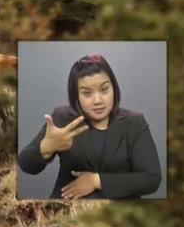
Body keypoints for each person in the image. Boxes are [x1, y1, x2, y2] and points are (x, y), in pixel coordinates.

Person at [17, 54, 162, 199]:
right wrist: (46, 147)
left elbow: (151, 179)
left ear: (113, 88)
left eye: (104, 90)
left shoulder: (134, 122)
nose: (97, 100)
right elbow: (26, 164)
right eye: (87, 93)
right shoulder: (63, 118)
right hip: (69, 211)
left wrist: (96, 181)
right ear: (76, 96)